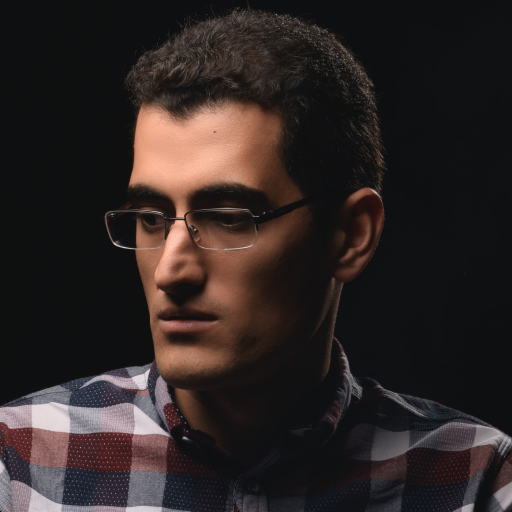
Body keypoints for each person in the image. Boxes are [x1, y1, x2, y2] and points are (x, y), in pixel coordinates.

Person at [1, 9, 510, 512]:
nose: (170, 271)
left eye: (228, 218)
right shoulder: (18, 463)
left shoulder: (476, 481)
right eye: (151, 218)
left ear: (351, 236)